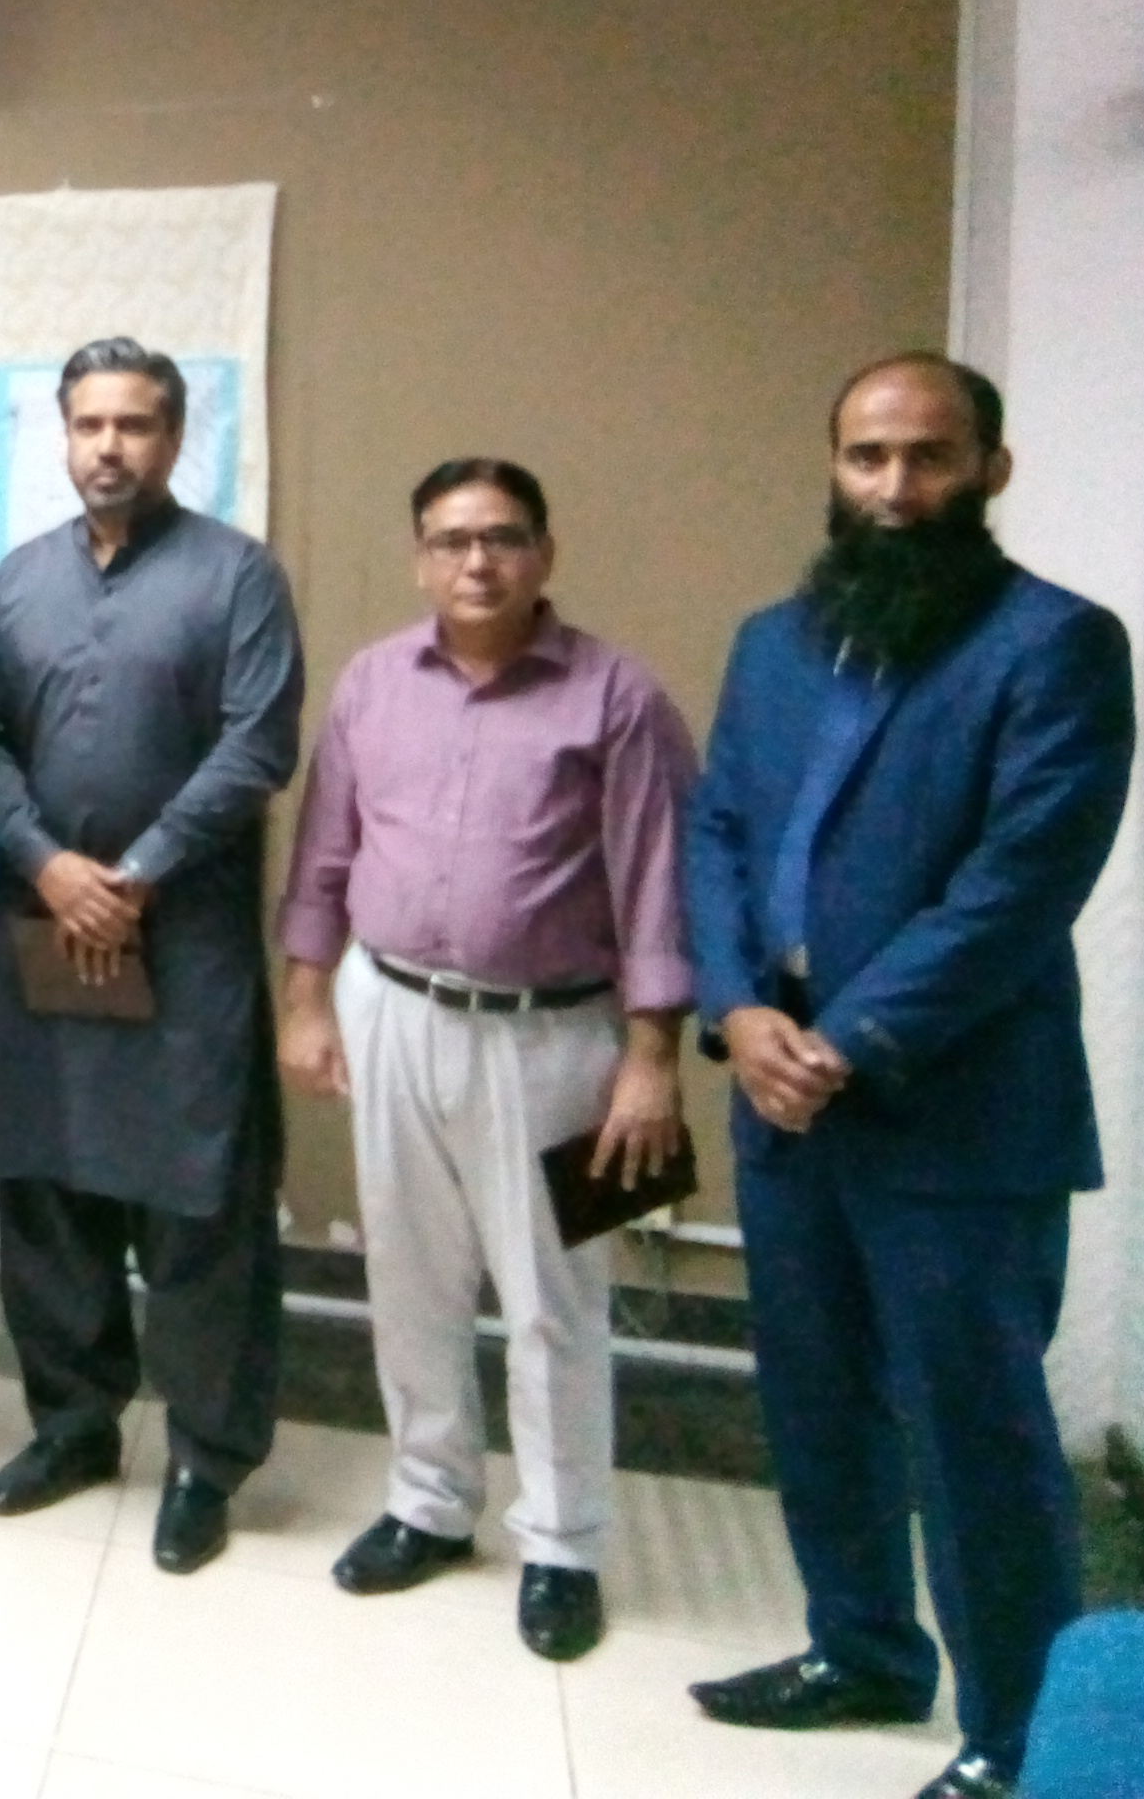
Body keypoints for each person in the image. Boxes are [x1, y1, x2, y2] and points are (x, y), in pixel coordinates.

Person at [681, 354, 1133, 1799]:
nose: (894, 486)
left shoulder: (1057, 646)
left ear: (991, 469)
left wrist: (849, 1041)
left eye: (928, 457)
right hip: (782, 1103)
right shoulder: (773, 644)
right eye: (867, 457)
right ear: (833, 466)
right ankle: (863, 1650)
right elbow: (718, 835)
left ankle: (1017, 1738)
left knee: (974, 1436)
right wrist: (738, 1011)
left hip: (953, 1118)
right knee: (817, 1403)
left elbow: (1020, 885)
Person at [274, 458, 696, 1661]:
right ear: (420, 558)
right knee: (409, 1276)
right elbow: (325, 855)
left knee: (557, 1299)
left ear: (544, 554)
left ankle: (563, 1542)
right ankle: (430, 1502)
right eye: (451, 540)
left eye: (503, 538)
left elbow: (659, 885)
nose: (477, 561)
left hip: (559, 1036)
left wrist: (652, 1059)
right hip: (391, 1009)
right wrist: (306, 1000)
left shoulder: (616, 696)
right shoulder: (373, 683)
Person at [0, 337, 302, 1571]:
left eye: (137, 423)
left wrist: (139, 871)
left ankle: (207, 1461)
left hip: (184, 941)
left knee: (196, 1201)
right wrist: (47, 863)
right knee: (48, 1186)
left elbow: (258, 744)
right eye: (90, 423)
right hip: (43, 924)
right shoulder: (18, 581)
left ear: (173, 437)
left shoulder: (237, 576)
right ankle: (74, 1424)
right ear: (62, 435)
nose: (110, 445)